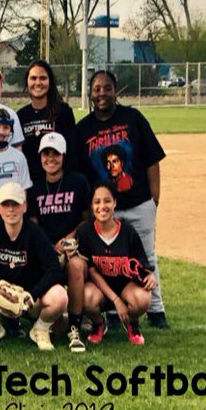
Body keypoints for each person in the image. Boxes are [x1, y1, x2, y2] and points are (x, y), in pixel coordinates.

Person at [75, 69, 168, 329]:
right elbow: (82, 174)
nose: (102, 93)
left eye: (107, 88)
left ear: (116, 91)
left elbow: (152, 159)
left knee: (146, 256)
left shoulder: (132, 118)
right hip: (104, 208)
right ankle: (114, 313)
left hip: (138, 201)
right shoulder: (83, 129)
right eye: (96, 89)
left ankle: (156, 309)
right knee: (108, 259)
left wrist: (154, 197)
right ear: (90, 93)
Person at [0, 182, 67, 351]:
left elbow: (54, 269)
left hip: (29, 299)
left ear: (24, 207)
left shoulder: (35, 232)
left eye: (15, 204)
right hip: (0, 296)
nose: (11, 210)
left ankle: (40, 329)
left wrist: (33, 295)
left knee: (60, 296)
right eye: (6, 205)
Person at [69, 183, 159, 349]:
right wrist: (115, 300)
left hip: (125, 287)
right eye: (97, 202)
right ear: (91, 205)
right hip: (99, 289)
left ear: (115, 203)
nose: (102, 207)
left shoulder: (128, 232)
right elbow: (91, 271)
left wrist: (149, 276)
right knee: (86, 296)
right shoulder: (85, 231)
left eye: (107, 201)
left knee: (143, 298)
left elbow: (140, 266)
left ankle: (132, 323)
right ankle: (98, 323)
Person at [27, 132, 90, 269]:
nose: (50, 158)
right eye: (46, 153)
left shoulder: (78, 182)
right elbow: (33, 225)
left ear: (63, 155)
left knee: (76, 266)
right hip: (46, 248)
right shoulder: (34, 188)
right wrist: (48, 246)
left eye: (55, 153)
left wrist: (70, 238)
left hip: (74, 246)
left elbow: (87, 219)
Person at [17, 60, 78, 181]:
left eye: (43, 78)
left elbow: (72, 152)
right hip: (31, 185)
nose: (38, 83)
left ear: (50, 81)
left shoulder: (63, 112)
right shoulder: (21, 116)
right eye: (33, 78)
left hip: (59, 182)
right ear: (27, 82)